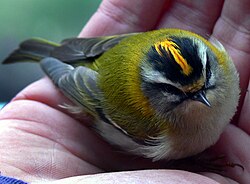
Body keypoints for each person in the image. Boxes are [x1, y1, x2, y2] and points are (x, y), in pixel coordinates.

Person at [0, 1, 249, 183]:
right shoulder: (152, 123)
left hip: (118, 54)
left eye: (207, 84)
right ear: (154, 92)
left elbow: (128, 42)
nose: (202, 98)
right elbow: (94, 95)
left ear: (212, 62)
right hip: (99, 86)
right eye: (179, 94)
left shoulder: (217, 59)